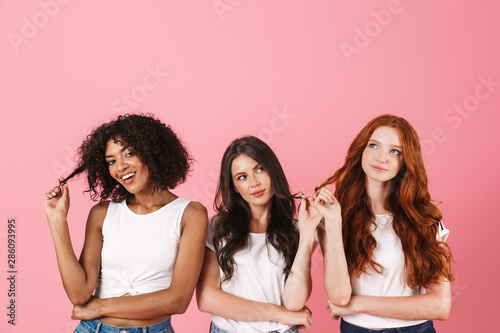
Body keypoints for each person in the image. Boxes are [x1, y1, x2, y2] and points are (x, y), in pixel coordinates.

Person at [44, 114, 208, 333]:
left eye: (128, 153)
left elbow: (177, 300)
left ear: (152, 152)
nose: (120, 167)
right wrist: (57, 221)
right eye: (111, 161)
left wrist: (100, 306)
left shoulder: (191, 215)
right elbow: (79, 294)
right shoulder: (102, 213)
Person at [317, 115, 455, 333]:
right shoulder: (335, 216)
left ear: (405, 161)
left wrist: (358, 304)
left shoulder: (423, 219)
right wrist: (333, 223)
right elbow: (338, 297)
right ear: (361, 150)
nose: (382, 158)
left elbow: (440, 305)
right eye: (374, 145)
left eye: (394, 151)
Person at [197, 136, 328, 333]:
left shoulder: (297, 230)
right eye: (242, 177)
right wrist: (278, 314)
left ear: (272, 171)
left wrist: (308, 232)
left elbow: (295, 302)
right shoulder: (218, 227)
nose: (254, 183)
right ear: (234, 187)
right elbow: (206, 298)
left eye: (259, 169)